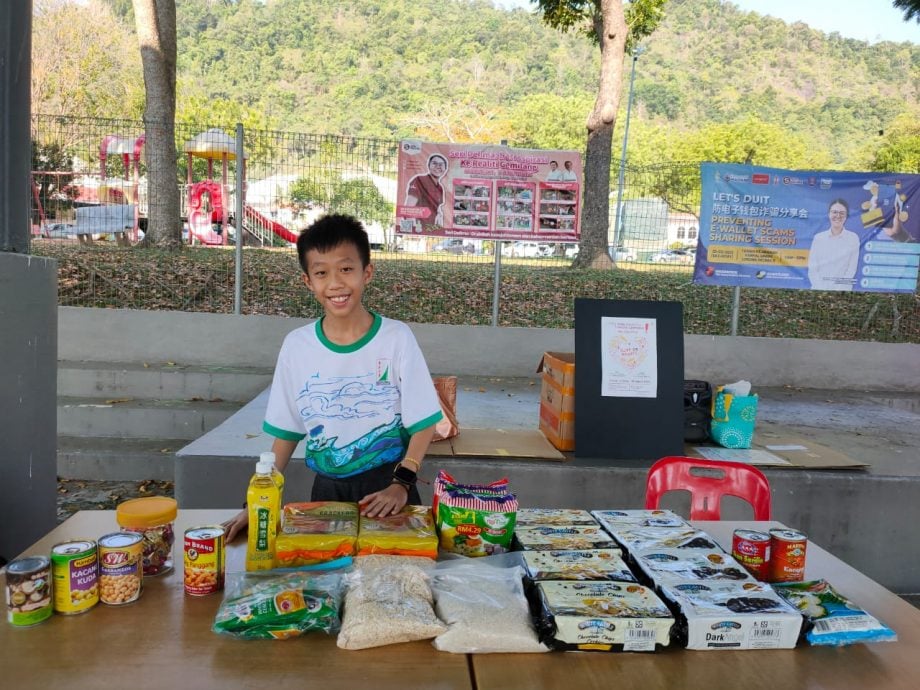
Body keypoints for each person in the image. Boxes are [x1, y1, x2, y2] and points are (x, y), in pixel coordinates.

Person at [222, 214, 443, 542]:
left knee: (396, 580)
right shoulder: (297, 346)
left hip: (391, 488)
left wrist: (401, 485)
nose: (336, 284)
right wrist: (255, 506)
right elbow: (287, 433)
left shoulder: (397, 338)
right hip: (326, 491)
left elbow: (423, 421)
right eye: (322, 272)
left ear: (367, 273)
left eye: (346, 269)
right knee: (329, 582)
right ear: (308, 282)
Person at [807, 199, 861, 291]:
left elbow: (851, 269)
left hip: (842, 291)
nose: (838, 216)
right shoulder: (819, 238)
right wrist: (821, 289)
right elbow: (812, 268)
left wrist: (839, 289)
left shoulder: (853, 238)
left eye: (842, 213)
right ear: (829, 214)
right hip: (818, 290)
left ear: (846, 216)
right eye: (834, 212)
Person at [404, 154, 448, 226]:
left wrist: (439, 225)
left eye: (441, 164)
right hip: (418, 228)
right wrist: (413, 230)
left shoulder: (440, 188)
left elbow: (438, 209)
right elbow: (409, 209)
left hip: (430, 229)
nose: (438, 166)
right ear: (428, 165)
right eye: (434, 163)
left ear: (445, 169)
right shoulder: (419, 180)